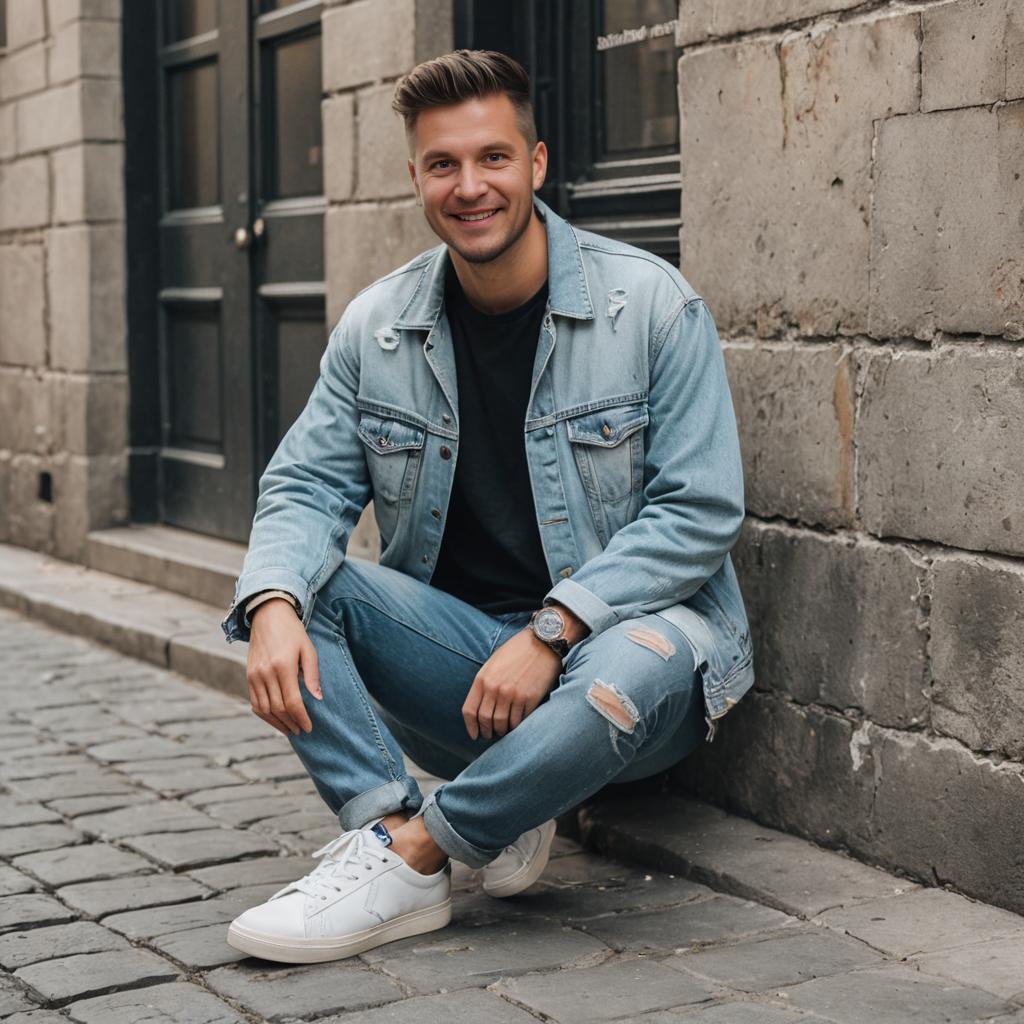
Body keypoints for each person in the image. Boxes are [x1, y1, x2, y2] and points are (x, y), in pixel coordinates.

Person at [220, 49, 753, 964]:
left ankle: (418, 850)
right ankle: (404, 831)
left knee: (640, 654)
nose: (470, 186)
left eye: (493, 159)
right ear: (418, 178)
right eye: (443, 165)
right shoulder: (376, 327)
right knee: (305, 590)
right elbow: (304, 488)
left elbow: (699, 510)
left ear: (537, 163)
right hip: (466, 675)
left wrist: (553, 630)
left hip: (622, 664)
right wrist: (272, 606)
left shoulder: (651, 304)